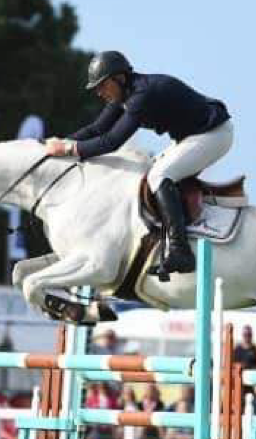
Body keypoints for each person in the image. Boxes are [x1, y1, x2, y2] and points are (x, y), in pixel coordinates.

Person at [46, 51, 233, 276]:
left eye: (102, 85)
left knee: (159, 176)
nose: (98, 92)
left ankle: (180, 251)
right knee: (148, 172)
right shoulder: (124, 95)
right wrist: (60, 143)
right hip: (192, 136)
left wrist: (68, 149)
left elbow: (111, 142)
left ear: (120, 78)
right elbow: (97, 129)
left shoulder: (141, 95)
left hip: (214, 134)